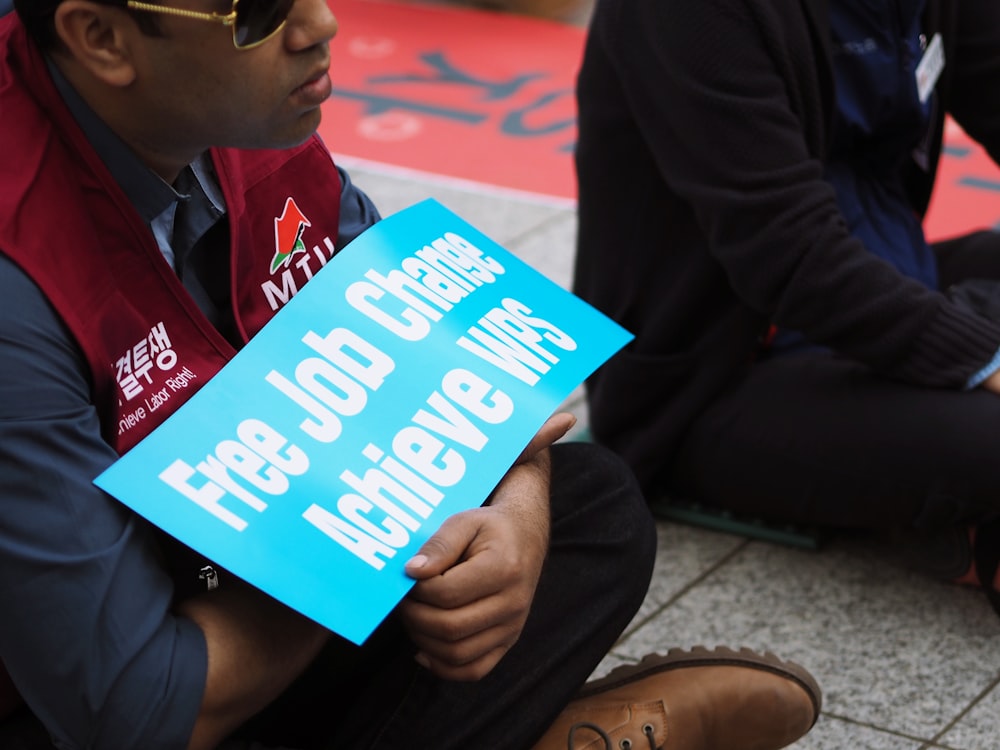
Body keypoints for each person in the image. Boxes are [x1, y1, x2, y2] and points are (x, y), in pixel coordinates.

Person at [0, 1, 823, 748]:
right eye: (258, 10)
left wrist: (519, 516)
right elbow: (136, 712)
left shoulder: (229, 111)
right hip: (83, 681)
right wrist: (358, 552)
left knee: (590, 506)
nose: (318, 24)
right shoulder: (18, 283)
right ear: (100, 38)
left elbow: (446, 352)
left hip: (232, 584)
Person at [574, 0, 1000, 604]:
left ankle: (946, 509)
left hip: (887, 276)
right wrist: (984, 357)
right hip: (718, 368)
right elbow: (788, 253)